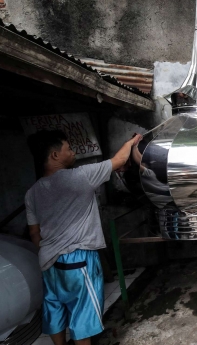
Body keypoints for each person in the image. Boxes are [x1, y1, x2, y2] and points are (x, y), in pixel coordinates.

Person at [25, 129, 142, 345]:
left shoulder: (32, 192)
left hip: (48, 261)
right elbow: (120, 159)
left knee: (55, 308)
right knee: (83, 317)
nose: (73, 152)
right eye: (68, 149)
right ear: (54, 155)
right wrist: (132, 141)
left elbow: (34, 232)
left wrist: (50, 250)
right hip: (78, 260)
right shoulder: (81, 176)